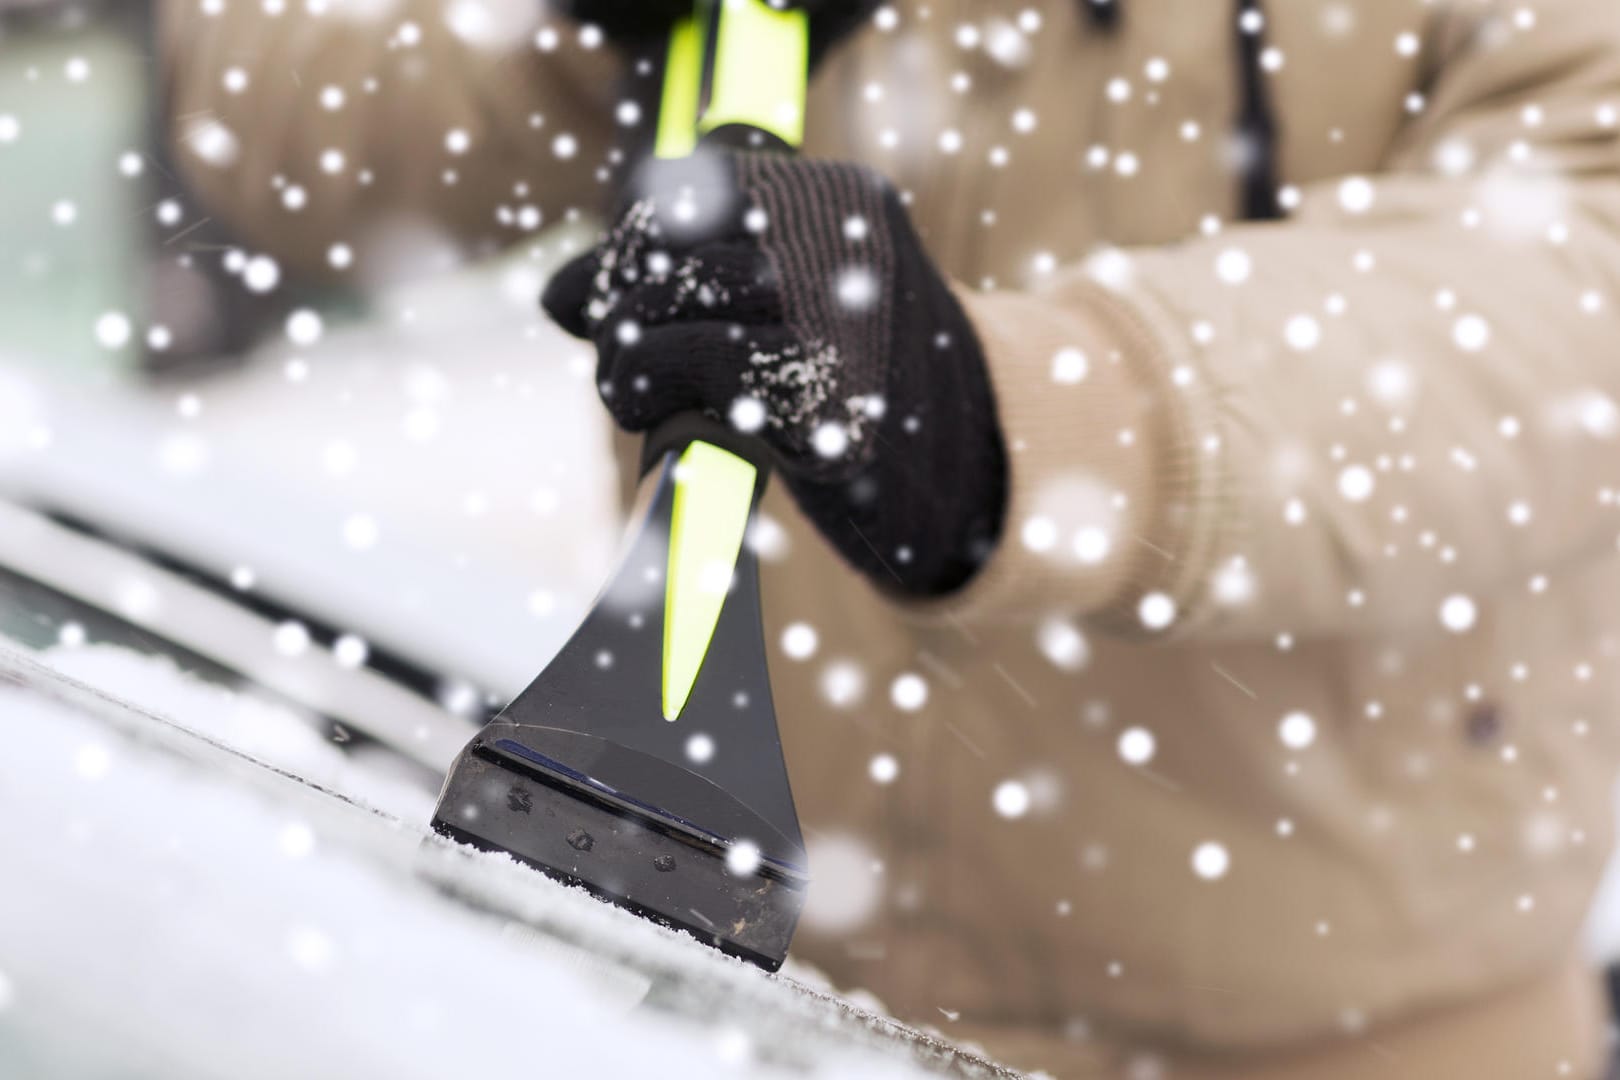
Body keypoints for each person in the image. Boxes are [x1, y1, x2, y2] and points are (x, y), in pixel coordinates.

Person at [162, 0, 1620, 1075]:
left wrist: (1009, 415)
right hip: (751, 1004)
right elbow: (284, 126)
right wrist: (575, 27)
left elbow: (1568, 290)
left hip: (1363, 1038)